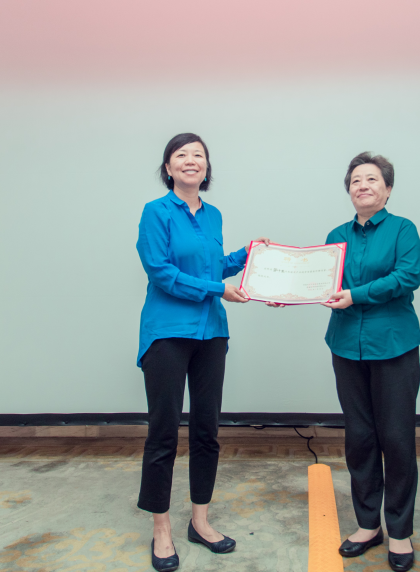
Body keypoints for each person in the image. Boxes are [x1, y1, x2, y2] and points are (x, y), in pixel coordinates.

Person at [135, 132, 268, 572]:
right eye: (181, 155)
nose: (191, 160)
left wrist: (249, 254)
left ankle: (200, 522)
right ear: (168, 168)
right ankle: (161, 529)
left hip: (212, 333)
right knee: (164, 433)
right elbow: (161, 273)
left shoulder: (213, 216)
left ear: (206, 168)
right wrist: (217, 289)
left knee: (207, 430)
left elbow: (215, 267)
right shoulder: (156, 212)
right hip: (168, 334)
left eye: (198, 155)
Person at [321, 152, 420, 572]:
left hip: (394, 345)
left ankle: (399, 531)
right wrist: (287, 292)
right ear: (349, 190)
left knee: (396, 439)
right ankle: (368, 525)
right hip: (346, 345)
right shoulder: (336, 235)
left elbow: (408, 276)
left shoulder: (403, 230)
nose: (362, 186)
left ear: (388, 188)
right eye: (355, 181)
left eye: (371, 179)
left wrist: (357, 295)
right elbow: (323, 282)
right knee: (360, 438)